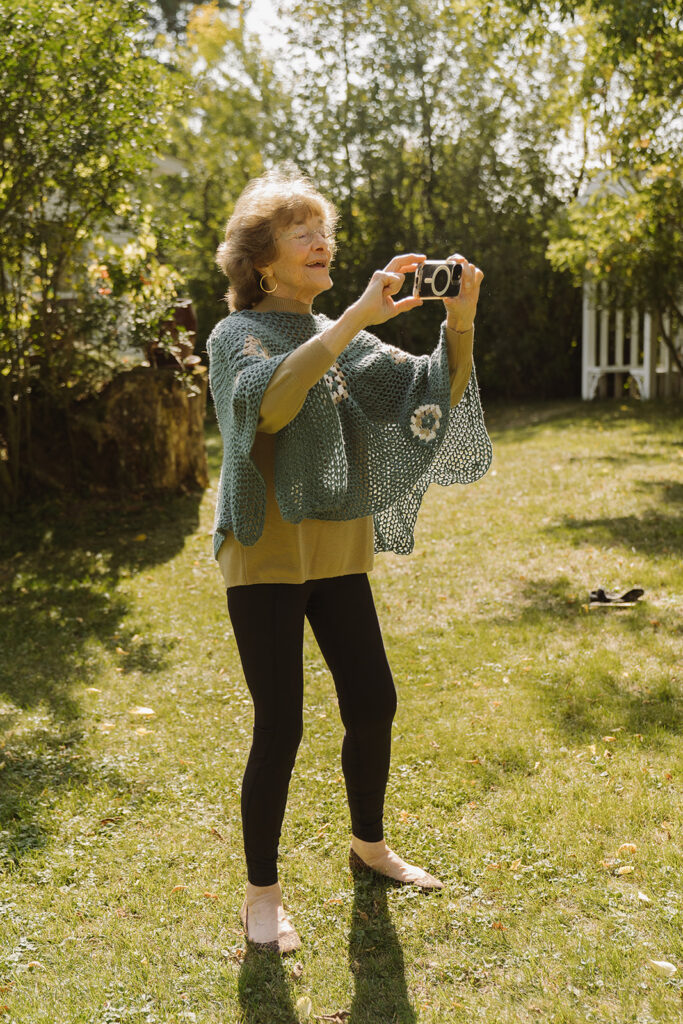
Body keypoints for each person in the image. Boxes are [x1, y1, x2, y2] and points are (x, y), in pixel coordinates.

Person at [208, 167, 491, 954]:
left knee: (372, 702)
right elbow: (267, 402)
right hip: (265, 552)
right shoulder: (236, 335)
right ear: (261, 261)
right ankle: (260, 894)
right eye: (300, 233)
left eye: (322, 230)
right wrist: (353, 318)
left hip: (337, 549)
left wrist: (458, 322)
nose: (318, 242)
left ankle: (368, 844)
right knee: (282, 725)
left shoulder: (346, 336)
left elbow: (429, 392)